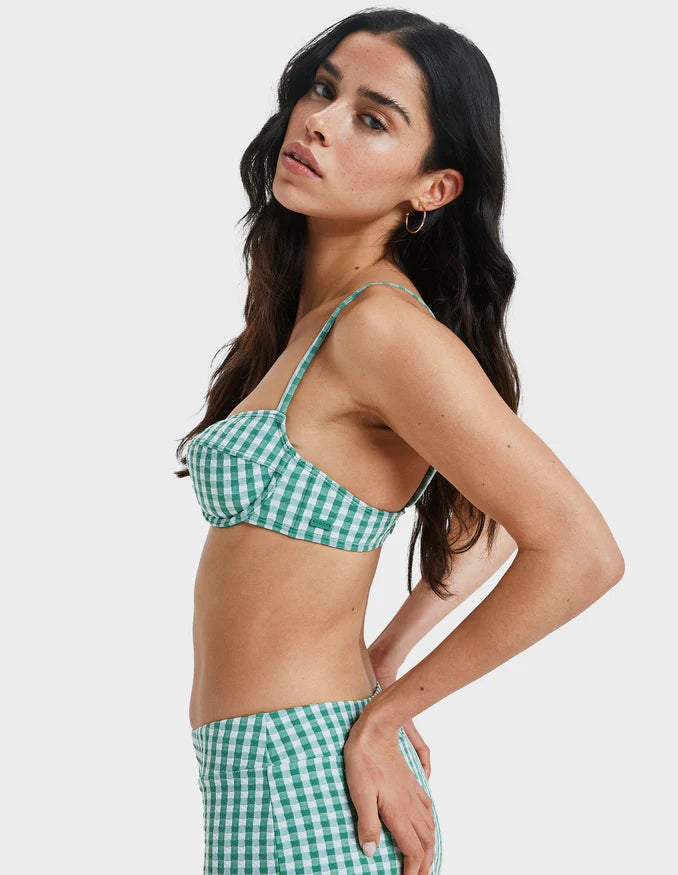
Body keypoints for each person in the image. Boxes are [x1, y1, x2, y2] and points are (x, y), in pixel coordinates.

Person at [176, 9, 625, 874]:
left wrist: (386, 714)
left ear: (434, 188)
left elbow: (581, 551)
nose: (320, 122)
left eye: (372, 120)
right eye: (323, 89)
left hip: (304, 778)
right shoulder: (314, 318)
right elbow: (491, 516)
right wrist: (384, 656)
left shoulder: (380, 328)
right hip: (260, 772)